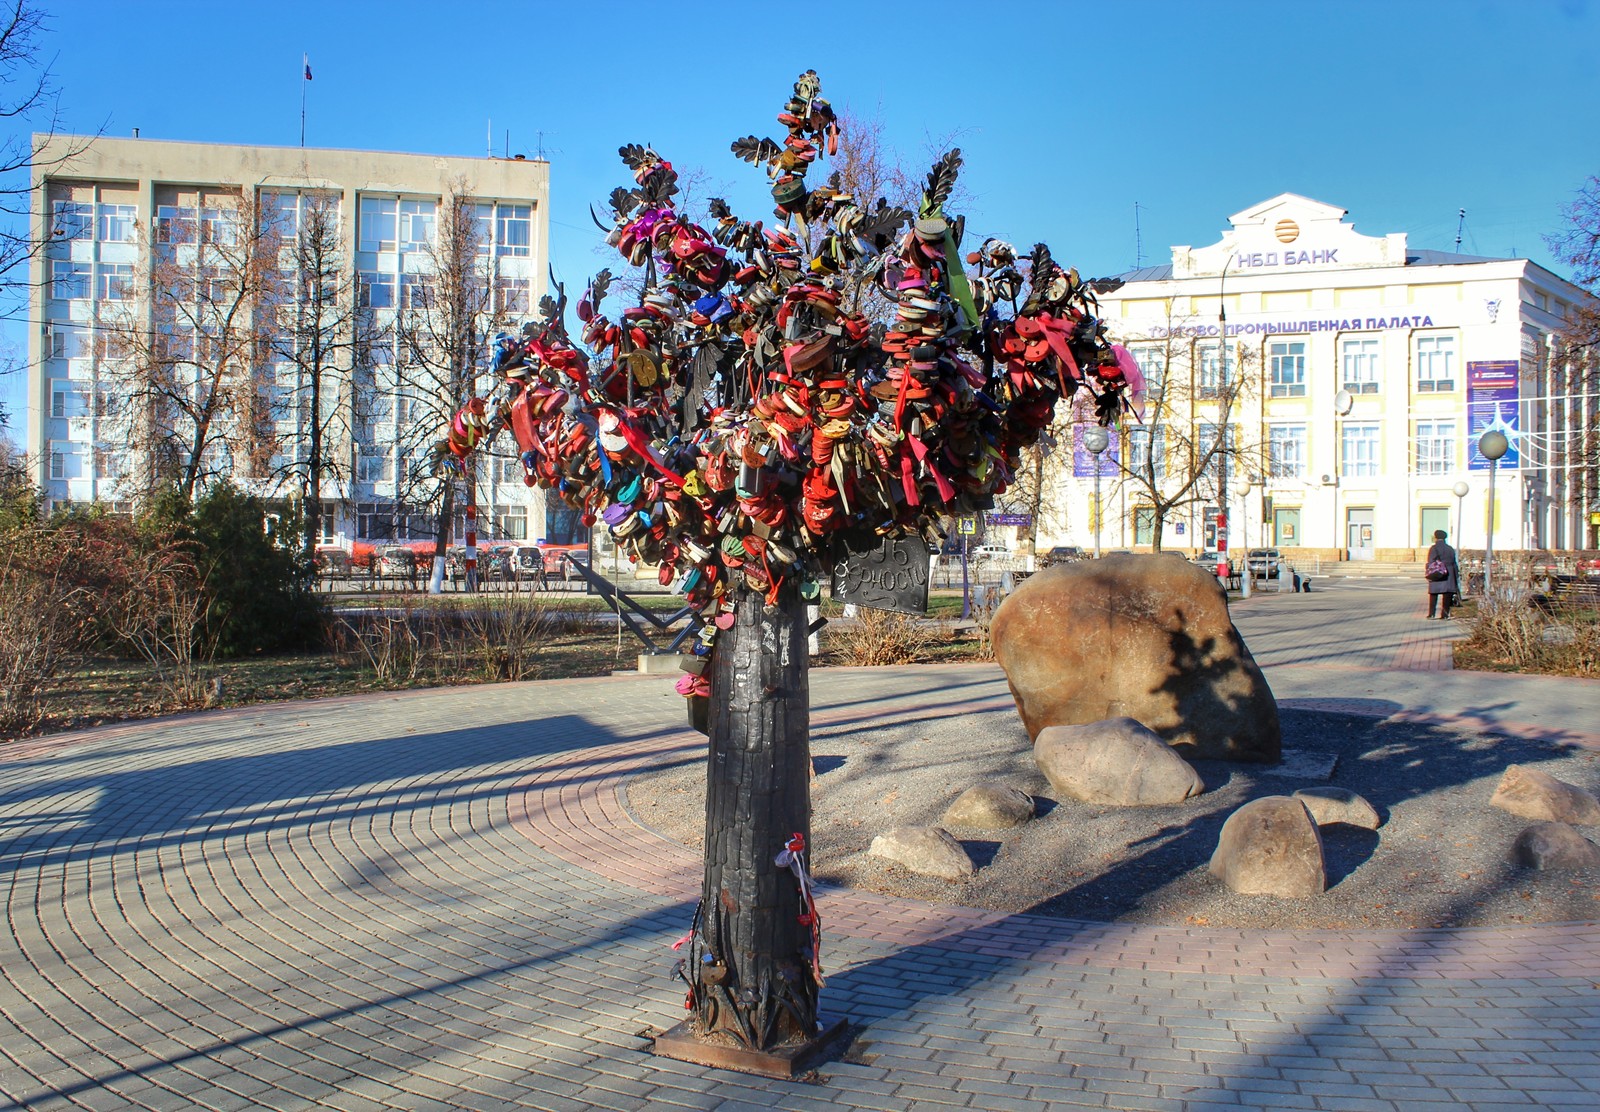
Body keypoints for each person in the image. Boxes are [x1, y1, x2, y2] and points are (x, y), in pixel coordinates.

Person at [1424, 529, 1459, 619]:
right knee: (1447, 595)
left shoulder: (1434, 548)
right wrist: (1456, 575)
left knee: (1434, 594)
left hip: (1438, 572)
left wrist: (1428, 570)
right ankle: (1445, 614)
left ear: (1435, 537)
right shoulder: (1450, 548)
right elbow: (1454, 562)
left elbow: (1431, 561)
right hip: (1449, 572)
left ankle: (1431, 614)